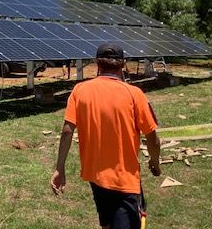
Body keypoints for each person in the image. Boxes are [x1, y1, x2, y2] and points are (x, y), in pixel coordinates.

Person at [50, 43, 161, 229]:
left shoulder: (80, 90)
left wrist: (59, 168)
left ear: (97, 63)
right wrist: (154, 162)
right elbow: (152, 137)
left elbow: (67, 130)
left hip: (96, 177)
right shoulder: (135, 94)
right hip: (124, 181)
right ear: (123, 64)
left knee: (107, 223)